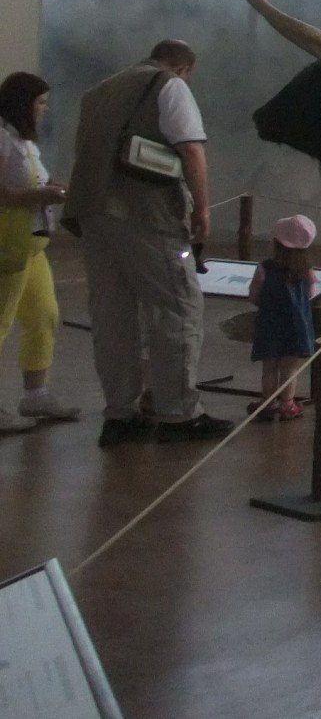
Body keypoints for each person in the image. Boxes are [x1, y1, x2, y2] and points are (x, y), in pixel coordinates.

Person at [62, 39, 228, 446]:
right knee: (179, 305)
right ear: (183, 67)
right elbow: (191, 150)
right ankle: (179, 415)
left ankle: (120, 415)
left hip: (94, 213)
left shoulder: (99, 92)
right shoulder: (167, 85)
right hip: (145, 213)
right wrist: (202, 211)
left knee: (113, 316)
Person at [0, 72, 81, 432]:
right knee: (1, 322)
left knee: (44, 315)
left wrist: (49, 189)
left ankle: (36, 394)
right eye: (41, 104)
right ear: (23, 105)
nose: (45, 110)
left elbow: (29, 183)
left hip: (32, 247)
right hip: (8, 246)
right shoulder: (1, 139)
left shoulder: (23, 142)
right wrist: (43, 195)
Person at [247, 214, 317, 422]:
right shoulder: (306, 270)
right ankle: (288, 405)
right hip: (296, 326)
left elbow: (254, 295)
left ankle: (267, 403)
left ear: (276, 243)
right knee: (290, 367)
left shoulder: (264, 268)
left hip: (270, 324)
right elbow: (310, 294)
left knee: (269, 366)